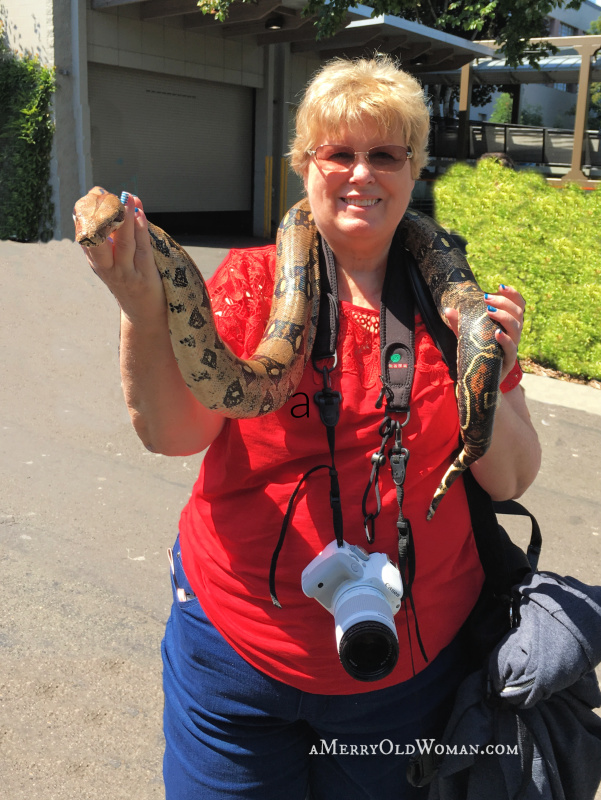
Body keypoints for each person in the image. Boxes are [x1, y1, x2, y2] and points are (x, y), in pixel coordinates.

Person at [80, 57, 541, 800]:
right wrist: (143, 312)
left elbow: (510, 479)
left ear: (413, 167)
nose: (361, 174)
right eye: (339, 154)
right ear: (305, 166)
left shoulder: (452, 307)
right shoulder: (252, 282)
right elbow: (173, 435)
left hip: (406, 666)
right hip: (238, 659)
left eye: (384, 154)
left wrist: (491, 365)